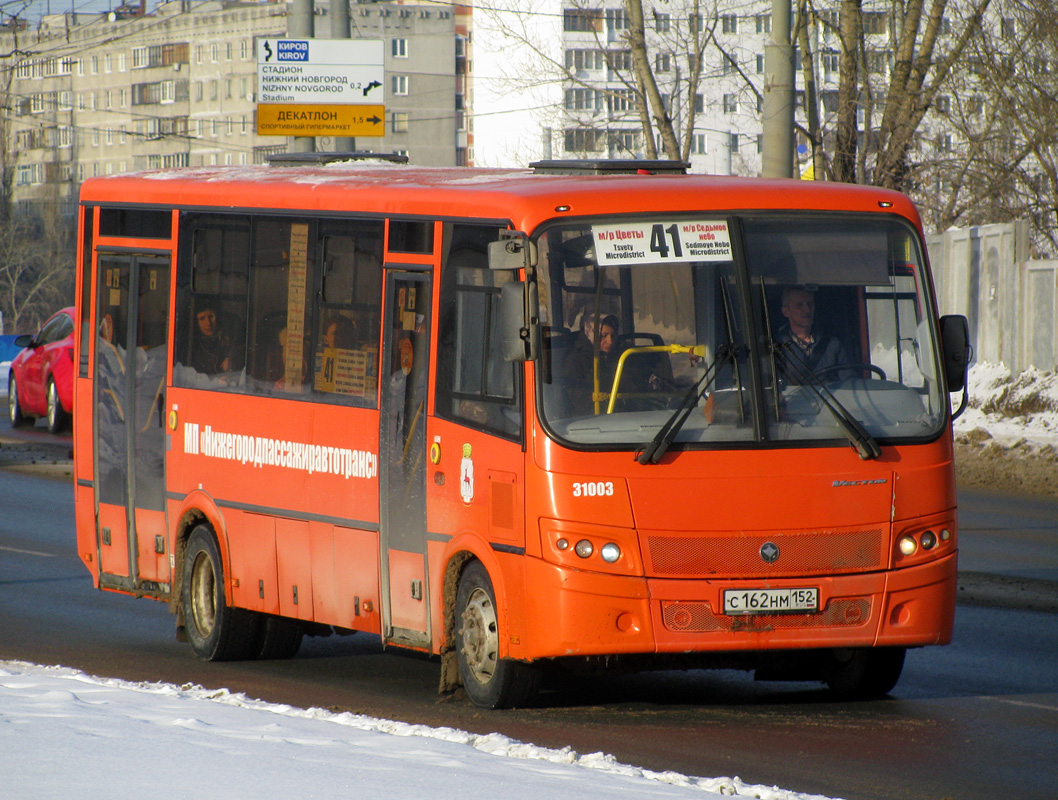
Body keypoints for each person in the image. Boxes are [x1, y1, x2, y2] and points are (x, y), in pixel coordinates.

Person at [775, 286, 850, 381]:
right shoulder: (775, 347)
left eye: (810, 304)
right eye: (800, 305)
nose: (807, 310)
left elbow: (849, 382)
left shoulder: (833, 344)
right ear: (786, 312)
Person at [189, 304, 233, 375]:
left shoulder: (227, 339)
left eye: (211, 317)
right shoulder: (191, 345)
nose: (208, 323)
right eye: (202, 318)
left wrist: (231, 358)